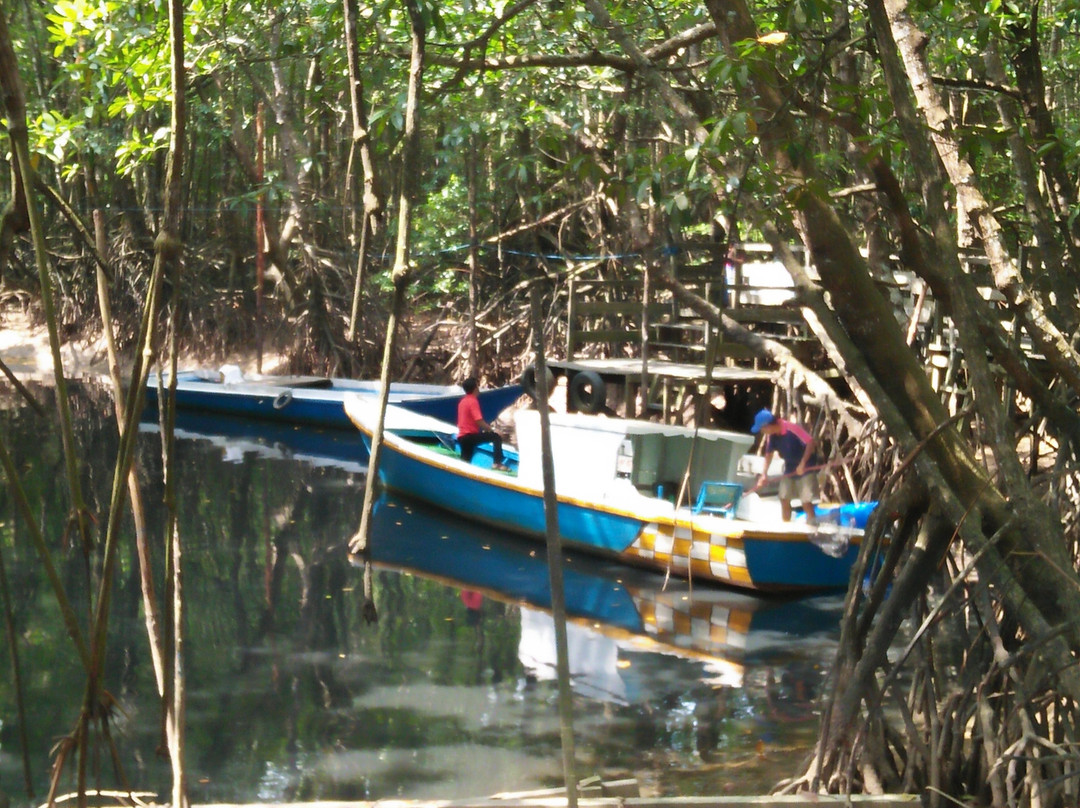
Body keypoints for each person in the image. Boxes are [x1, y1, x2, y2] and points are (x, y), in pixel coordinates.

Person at [748, 408, 820, 525]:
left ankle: (812, 527)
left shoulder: (791, 428)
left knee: (806, 501)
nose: (762, 432)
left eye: (762, 429)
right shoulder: (772, 436)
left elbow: (810, 442)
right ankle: (786, 527)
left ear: (768, 426)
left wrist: (802, 464)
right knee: (784, 497)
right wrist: (764, 474)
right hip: (789, 468)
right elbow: (768, 454)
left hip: (806, 467)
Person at [457, 377, 510, 471]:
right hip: (470, 437)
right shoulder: (473, 401)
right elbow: (479, 420)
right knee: (496, 437)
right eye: (477, 386)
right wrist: (493, 430)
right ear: (475, 388)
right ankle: (497, 463)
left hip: (462, 437)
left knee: (465, 462)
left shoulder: (462, 401)